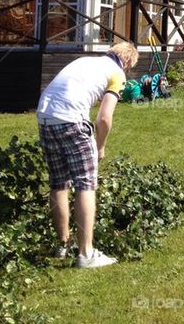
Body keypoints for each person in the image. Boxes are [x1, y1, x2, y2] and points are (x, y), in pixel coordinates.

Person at [36, 41, 139, 268]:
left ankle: (63, 246)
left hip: (45, 118)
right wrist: (100, 146)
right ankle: (85, 254)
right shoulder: (117, 73)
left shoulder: (86, 61)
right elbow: (104, 118)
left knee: (59, 182)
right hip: (71, 121)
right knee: (86, 184)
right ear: (128, 62)